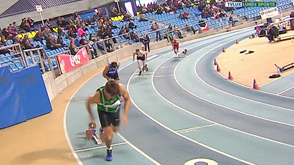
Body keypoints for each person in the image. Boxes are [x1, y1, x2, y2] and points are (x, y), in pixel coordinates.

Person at [86, 79, 131, 161]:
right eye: (111, 96)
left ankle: (104, 129)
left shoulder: (120, 89)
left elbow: (128, 99)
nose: (113, 98)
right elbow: (88, 102)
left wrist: (125, 114)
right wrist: (92, 119)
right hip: (104, 112)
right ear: (106, 92)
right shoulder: (98, 96)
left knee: (115, 130)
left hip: (115, 111)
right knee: (109, 137)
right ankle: (109, 149)